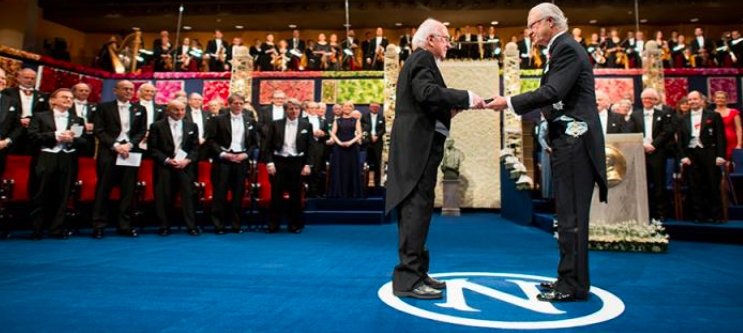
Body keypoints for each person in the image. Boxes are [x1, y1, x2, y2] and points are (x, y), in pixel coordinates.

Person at [487, 3, 607, 302]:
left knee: (572, 217)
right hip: (569, 141)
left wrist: (510, 102)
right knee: (567, 215)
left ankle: (573, 285)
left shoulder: (566, 49)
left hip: (576, 143)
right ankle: (569, 278)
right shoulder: (559, 50)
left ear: (550, 22)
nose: (529, 32)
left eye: (532, 25)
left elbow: (553, 93)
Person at [386, 18, 484, 300]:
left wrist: (450, 110)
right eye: (445, 38)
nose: (449, 43)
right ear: (430, 40)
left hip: (422, 149)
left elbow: (426, 103)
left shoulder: (422, 61)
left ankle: (417, 272)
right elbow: (427, 93)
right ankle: (407, 279)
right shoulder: (421, 60)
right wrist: (465, 96)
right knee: (415, 210)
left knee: (420, 209)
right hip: (417, 151)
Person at [27, 88, 87, 240]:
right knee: (41, 193)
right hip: (46, 157)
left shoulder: (76, 120)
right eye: (64, 97)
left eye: (70, 98)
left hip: (67, 158)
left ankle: (57, 228)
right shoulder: (40, 116)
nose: (68, 100)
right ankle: (37, 229)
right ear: (53, 100)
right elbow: (33, 137)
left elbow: (83, 141)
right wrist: (55, 136)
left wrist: (72, 139)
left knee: (64, 194)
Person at [91, 80, 147, 239]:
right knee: (103, 189)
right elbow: (99, 130)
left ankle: (125, 225)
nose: (129, 91)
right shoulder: (103, 107)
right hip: (109, 152)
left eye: (131, 89)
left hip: (130, 153)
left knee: (128, 190)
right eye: (125, 89)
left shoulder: (140, 109)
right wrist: (115, 145)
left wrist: (129, 145)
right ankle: (99, 225)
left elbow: (141, 131)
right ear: (115, 90)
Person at [205, 94, 259, 234]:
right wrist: (224, 154)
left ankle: (236, 225)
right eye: (235, 103)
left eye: (241, 103)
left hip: (241, 160)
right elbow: (210, 140)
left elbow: (254, 143)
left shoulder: (250, 121)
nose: (238, 106)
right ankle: (219, 225)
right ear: (229, 104)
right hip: (223, 160)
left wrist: (246, 154)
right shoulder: (217, 120)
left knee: (238, 194)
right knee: (220, 194)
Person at [148, 100, 200, 236]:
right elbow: (152, 149)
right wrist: (167, 160)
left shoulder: (192, 126)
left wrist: (187, 160)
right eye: (176, 110)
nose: (180, 113)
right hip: (164, 166)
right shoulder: (157, 126)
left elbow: (195, 149)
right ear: (168, 110)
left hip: (185, 167)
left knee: (188, 197)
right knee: (164, 197)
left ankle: (191, 226)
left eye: (182, 110)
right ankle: (164, 226)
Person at [263, 98, 313, 233]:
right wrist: (269, 162)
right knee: (276, 195)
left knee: (296, 196)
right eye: (291, 108)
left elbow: (310, 147)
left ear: (300, 110)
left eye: (296, 108)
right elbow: (267, 146)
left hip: (297, 163)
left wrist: (308, 164)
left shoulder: (306, 125)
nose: (294, 111)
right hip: (279, 162)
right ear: (285, 110)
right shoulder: (275, 124)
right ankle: (274, 224)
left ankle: (294, 225)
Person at [679, 91, 726, 223]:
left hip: (710, 153)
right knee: (695, 186)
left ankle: (716, 215)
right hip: (691, 155)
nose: (692, 101)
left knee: (712, 184)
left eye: (695, 99)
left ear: (701, 100)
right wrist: (683, 156)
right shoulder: (683, 118)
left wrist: (720, 155)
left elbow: (720, 137)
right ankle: (699, 216)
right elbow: (680, 141)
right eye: (690, 100)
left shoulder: (714, 115)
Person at [630, 88, 675, 221]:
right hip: (640, 153)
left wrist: (653, 145)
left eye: (650, 98)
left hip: (657, 153)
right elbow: (631, 131)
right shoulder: (635, 115)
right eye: (645, 98)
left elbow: (667, 132)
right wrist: (643, 144)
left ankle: (660, 213)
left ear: (656, 100)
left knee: (659, 184)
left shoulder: (664, 114)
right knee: (642, 183)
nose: (647, 101)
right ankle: (645, 212)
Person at [328, 102, 363, 198]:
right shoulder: (337, 120)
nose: (347, 108)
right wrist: (339, 142)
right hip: (339, 148)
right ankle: (338, 192)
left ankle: (353, 193)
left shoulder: (356, 120)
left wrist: (351, 142)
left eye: (350, 106)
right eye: (345, 106)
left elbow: (360, 134)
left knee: (352, 168)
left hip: (352, 148)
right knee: (339, 168)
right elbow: (332, 133)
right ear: (342, 108)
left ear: (352, 108)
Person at [712, 91, 741, 160]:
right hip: (717, 143)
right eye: (718, 98)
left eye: (722, 98)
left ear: (726, 100)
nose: (720, 99)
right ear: (714, 99)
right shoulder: (711, 114)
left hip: (732, 142)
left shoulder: (734, 112)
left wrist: (739, 144)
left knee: (733, 164)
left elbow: (738, 128)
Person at [363, 103, 385, 187]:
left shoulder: (381, 118)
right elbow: (363, 128)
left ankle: (377, 184)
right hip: (367, 142)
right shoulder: (364, 117)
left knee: (377, 163)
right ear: (369, 107)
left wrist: (377, 136)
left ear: (379, 108)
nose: (374, 108)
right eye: (373, 107)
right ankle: (365, 183)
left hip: (378, 143)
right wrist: (370, 136)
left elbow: (383, 129)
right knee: (367, 163)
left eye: (376, 107)